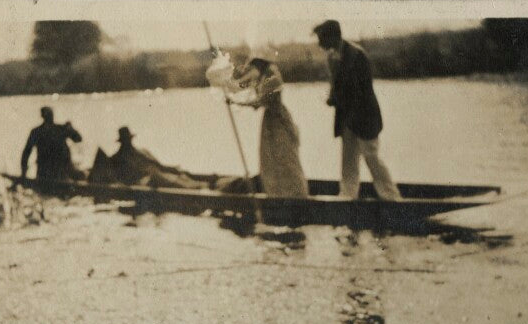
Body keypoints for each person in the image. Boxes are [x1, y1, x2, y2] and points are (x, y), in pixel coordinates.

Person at [313, 20, 401, 201]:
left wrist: (338, 99)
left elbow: (361, 91)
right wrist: (333, 97)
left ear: (333, 36)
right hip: (347, 117)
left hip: (364, 116)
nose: (319, 43)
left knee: (371, 157)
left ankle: (391, 198)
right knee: (348, 159)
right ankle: (347, 196)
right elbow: (336, 85)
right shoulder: (332, 57)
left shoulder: (356, 55)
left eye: (321, 38)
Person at [229, 51, 309, 198]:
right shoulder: (265, 75)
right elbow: (244, 85)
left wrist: (236, 102)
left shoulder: (271, 76)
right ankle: (278, 194)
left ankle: (294, 194)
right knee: (272, 160)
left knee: (284, 158)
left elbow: (260, 101)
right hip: (271, 123)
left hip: (277, 122)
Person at [107, 127, 212, 190]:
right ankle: (200, 187)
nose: (129, 142)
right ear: (123, 141)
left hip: (155, 176)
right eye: (126, 140)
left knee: (179, 174)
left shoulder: (142, 152)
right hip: (144, 182)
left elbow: (158, 165)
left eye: (129, 139)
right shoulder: (118, 157)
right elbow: (115, 173)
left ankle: (205, 185)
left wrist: (171, 168)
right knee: (165, 178)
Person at [20, 106, 87, 180]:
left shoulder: (37, 131)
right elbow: (78, 139)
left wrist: (23, 173)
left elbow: (26, 153)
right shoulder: (60, 129)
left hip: (47, 174)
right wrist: (71, 129)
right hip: (57, 173)